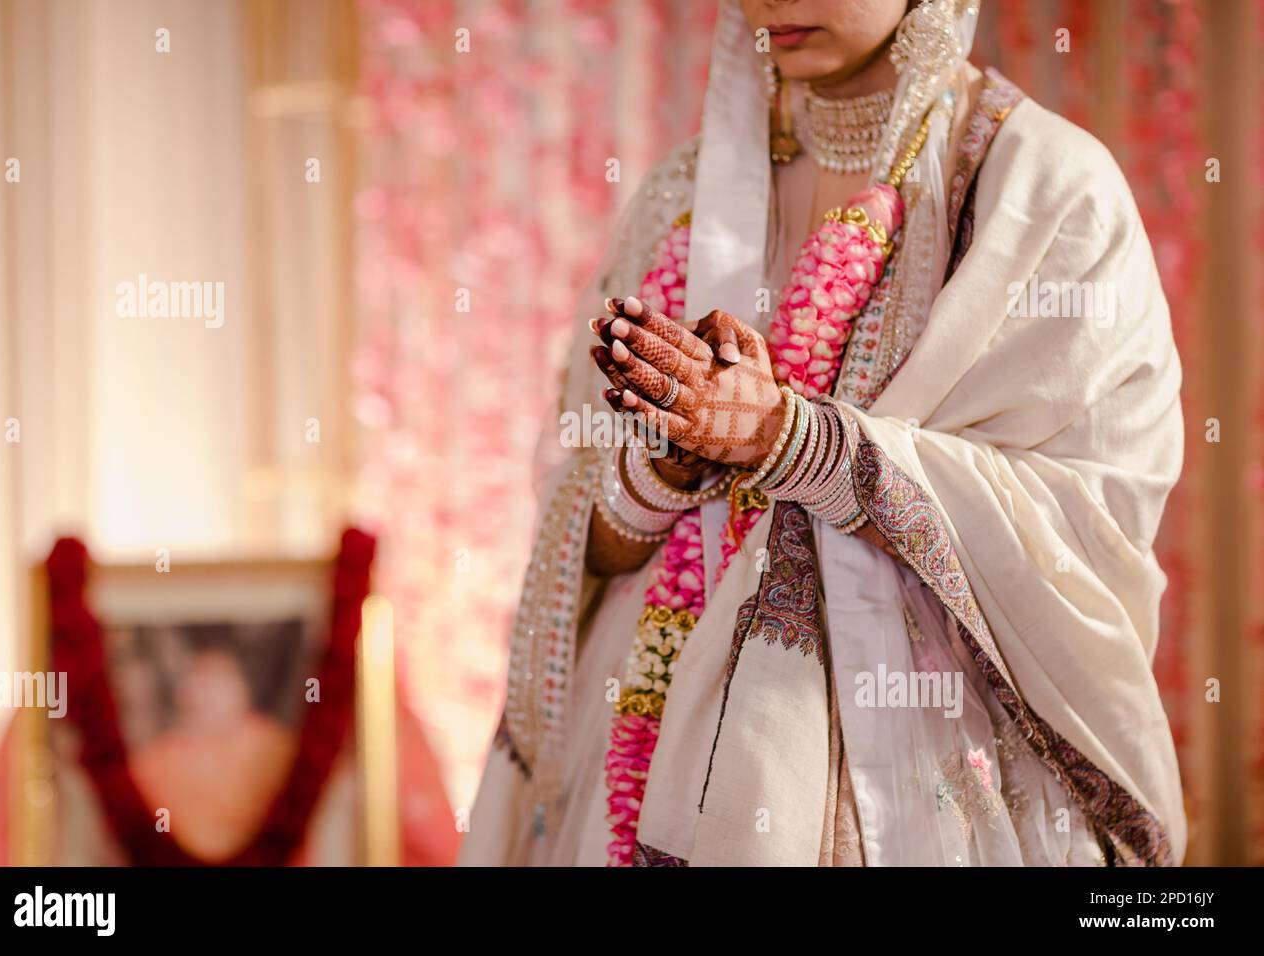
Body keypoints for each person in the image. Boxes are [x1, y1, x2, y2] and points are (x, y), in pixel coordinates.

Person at [461, 0, 1186, 866]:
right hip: (648, 738)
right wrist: (663, 467)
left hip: (924, 783)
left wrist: (792, 443)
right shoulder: (681, 198)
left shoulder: (1040, 191)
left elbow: (1085, 536)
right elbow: (585, 533)